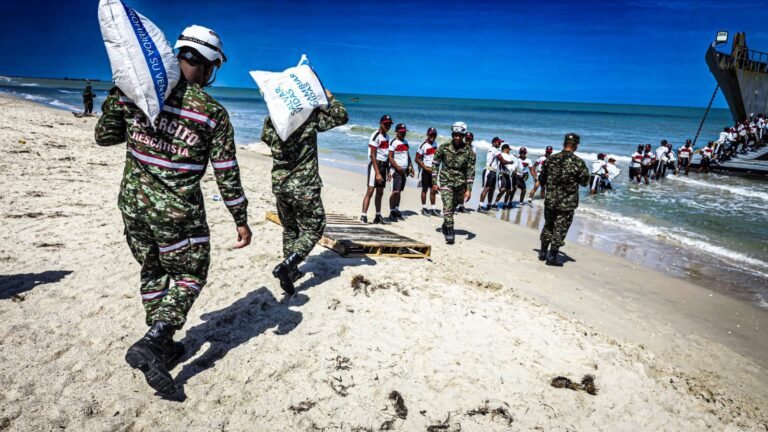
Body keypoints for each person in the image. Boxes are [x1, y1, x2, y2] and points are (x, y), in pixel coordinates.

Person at [95, 25, 251, 397]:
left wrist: (119, 100)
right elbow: (226, 171)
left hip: (133, 206)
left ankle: (160, 344)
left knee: (152, 271)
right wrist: (240, 218)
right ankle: (156, 339)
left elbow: (104, 136)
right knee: (191, 274)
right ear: (210, 65)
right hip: (178, 213)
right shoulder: (212, 112)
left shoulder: (138, 93)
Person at [262, 89, 348, 295]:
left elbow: (266, 138)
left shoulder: (272, 119)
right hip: (304, 185)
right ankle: (288, 265)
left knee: (290, 228)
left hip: (281, 184)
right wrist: (329, 97)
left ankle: (291, 273)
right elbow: (341, 116)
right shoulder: (309, 117)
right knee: (314, 228)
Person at [538, 133, 589, 266]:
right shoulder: (578, 162)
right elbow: (584, 182)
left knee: (548, 225)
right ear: (576, 146)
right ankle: (552, 257)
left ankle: (543, 252)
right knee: (560, 229)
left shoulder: (550, 159)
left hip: (550, 200)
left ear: (564, 144)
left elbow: (541, 178)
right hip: (566, 203)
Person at [432, 122, 476, 244]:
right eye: (455, 135)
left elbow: (471, 171)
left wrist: (469, 189)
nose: (457, 137)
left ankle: (446, 224)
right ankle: (450, 232)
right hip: (446, 180)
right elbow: (435, 163)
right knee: (447, 205)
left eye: (459, 135)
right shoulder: (444, 147)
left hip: (460, 183)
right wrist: (434, 182)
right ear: (452, 134)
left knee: (453, 206)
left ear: (463, 136)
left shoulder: (469, 151)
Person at [361, 115, 393, 224]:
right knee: (370, 190)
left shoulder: (388, 137)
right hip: (375, 165)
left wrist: (388, 171)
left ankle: (378, 216)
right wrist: (377, 173)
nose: (387, 126)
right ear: (380, 123)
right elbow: (372, 155)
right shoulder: (375, 136)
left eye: (389, 124)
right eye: (386, 124)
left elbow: (386, 155)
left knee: (380, 192)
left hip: (383, 165)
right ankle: (363, 215)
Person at [387, 123, 414, 221]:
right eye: (401, 132)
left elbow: (407, 155)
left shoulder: (406, 142)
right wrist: (397, 168)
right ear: (397, 132)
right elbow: (389, 157)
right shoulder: (393, 142)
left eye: (404, 132)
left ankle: (397, 210)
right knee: (395, 192)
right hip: (396, 171)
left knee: (400, 192)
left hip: (404, 171)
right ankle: (392, 211)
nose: (403, 134)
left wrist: (411, 166)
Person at [416, 127, 439, 216]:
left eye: (434, 134)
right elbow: (417, 159)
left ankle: (433, 209)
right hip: (426, 170)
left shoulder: (436, 144)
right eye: (430, 134)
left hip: (434, 171)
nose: (432, 136)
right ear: (427, 135)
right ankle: (424, 208)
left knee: (433, 190)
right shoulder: (423, 145)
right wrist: (425, 168)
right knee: (424, 190)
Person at [478, 137, 503, 211]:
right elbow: (502, 160)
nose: (500, 144)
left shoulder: (495, 150)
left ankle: (489, 205)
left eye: (500, 142)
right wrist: (511, 162)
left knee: (492, 189)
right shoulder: (493, 149)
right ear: (494, 142)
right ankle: (480, 206)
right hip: (489, 171)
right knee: (486, 188)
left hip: (494, 171)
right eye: (499, 142)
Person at [455, 132, 475, 213]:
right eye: (467, 138)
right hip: (461, 171)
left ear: (472, 139)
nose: (468, 140)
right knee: (458, 188)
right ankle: (454, 205)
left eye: (469, 139)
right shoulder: (461, 146)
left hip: (469, 171)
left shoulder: (473, 148)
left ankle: (461, 206)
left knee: (466, 189)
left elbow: (473, 160)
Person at [493, 144, 518, 208]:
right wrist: (512, 167)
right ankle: (495, 203)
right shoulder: (502, 155)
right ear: (505, 149)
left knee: (509, 191)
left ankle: (505, 204)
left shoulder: (509, 156)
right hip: (502, 174)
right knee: (503, 190)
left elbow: (512, 165)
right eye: (509, 149)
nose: (509, 150)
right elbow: (506, 164)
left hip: (508, 175)